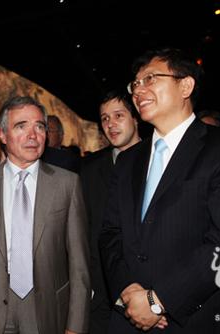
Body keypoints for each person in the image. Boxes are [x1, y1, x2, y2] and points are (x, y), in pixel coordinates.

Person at [99, 48, 220, 333]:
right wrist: (128, 290)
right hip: (127, 317)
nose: (139, 90)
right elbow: (110, 233)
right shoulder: (129, 160)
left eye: (150, 79)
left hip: (194, 318)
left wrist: (160, 300)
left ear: (186, 86)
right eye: (135, 84)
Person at [0, 96, 90, 334]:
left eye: (39, 126)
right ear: (2, 134)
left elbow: (79, 265)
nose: (32, 135)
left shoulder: (67, 184)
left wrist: (75, 325)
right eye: (21, 126)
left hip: (46, 313)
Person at [80, 88, 140, 333]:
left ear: (136, 118)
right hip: (100, 296)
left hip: (146, 292)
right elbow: (85, 231)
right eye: (105, 118)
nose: (111, 124)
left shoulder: (160, 163)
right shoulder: (88, 169)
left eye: (118, 116)